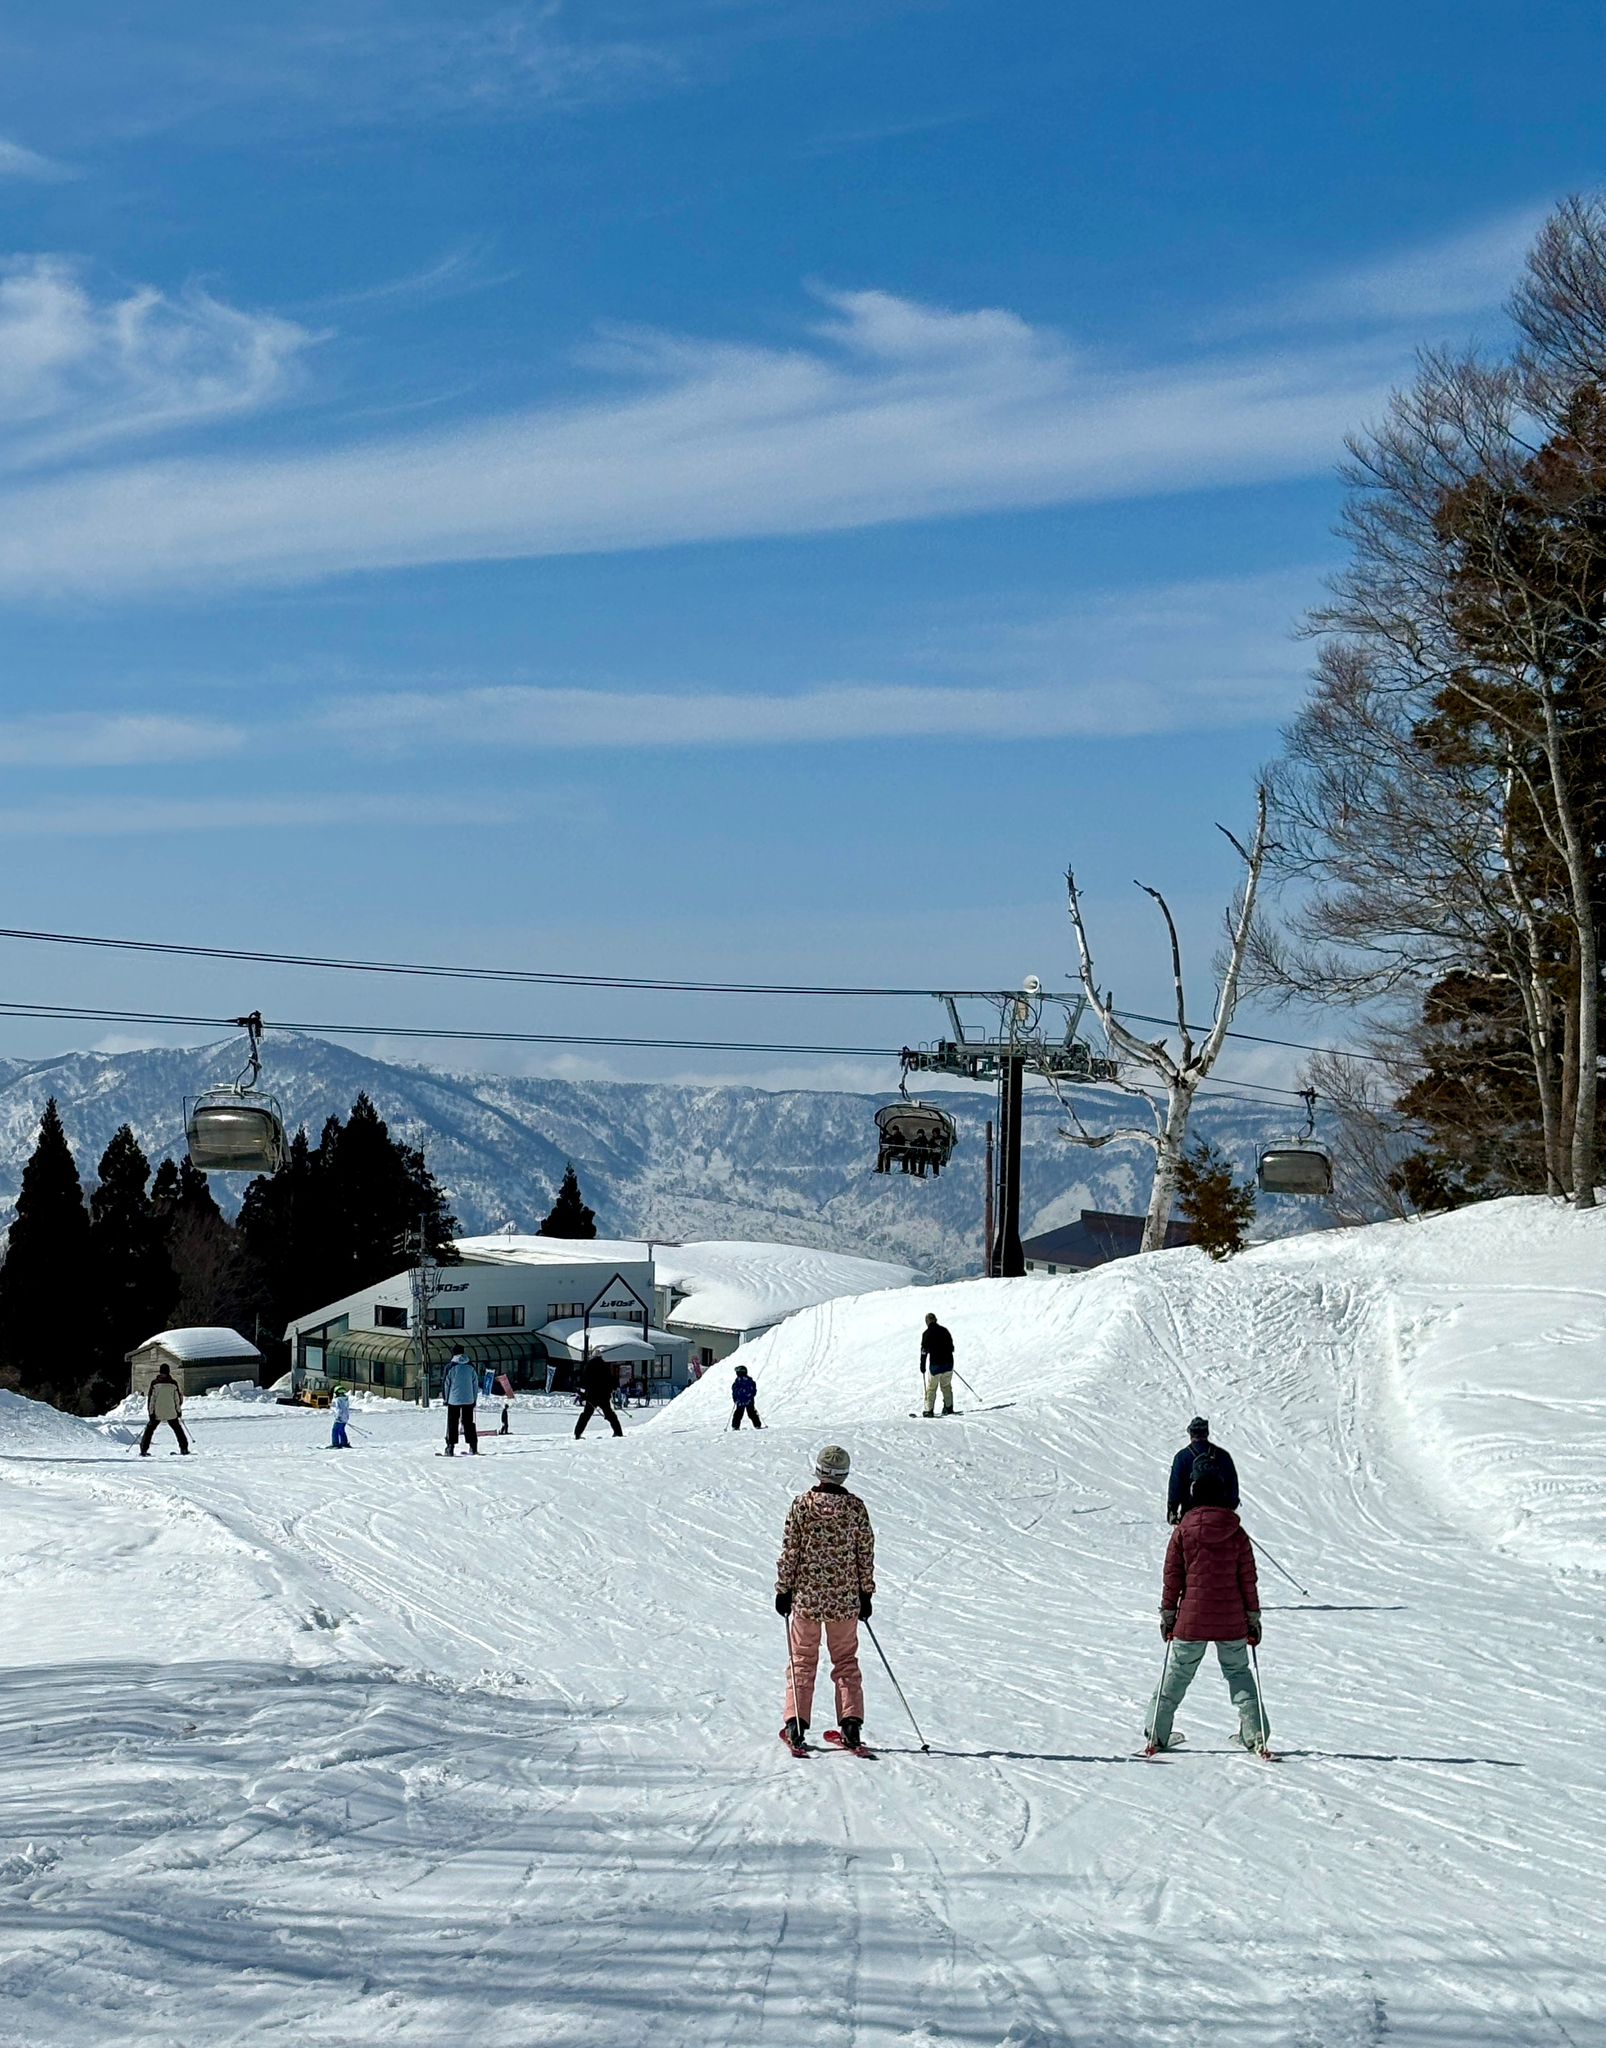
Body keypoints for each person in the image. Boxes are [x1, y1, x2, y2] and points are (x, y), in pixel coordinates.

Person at [1145, 1461, 1268, 1754]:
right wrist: (1253, 1617)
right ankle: (1255, 1735)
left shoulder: (1184, 1531)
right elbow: (1248, 1580)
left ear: (1194, 1492)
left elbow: (1172, 1577)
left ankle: (1156, 1736)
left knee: (1176, 1674)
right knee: (1239, 1672)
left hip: (1192, 1618)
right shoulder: (1237, 1533)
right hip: (1231, 1620)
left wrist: (1168, 1615)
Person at [775, 1443, 876, 1753]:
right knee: (845, 1661)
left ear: (818, 1471)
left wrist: (783, 1589)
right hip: (844, 1600)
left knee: (802, 1660)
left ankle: (795, 1725)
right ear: (844, 1475)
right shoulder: (855, 1508)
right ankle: (851, 1726)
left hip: (807, 1598)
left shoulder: (802, 1505)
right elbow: (865, 1553)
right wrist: (866, 1593)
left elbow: (791, 1551)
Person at [1167, 1417, 1239, 1522]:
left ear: (1191, 1434)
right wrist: (1232, 1505)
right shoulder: (1222, 1455)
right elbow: (1232, 1482)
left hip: (1191, 1514)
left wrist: (1172, 1509)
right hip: (1220, 1514)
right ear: (1206, 1433)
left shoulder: (1181, 1457)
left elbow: (1176, 1484)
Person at [139, 1363, 189, 1457]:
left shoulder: (155, 1383)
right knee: (178, 1429)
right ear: (168, 1372)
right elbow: (177, 1399)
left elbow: (151, 1399)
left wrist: (151, 1413)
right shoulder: (173, 1383)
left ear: (160, 1372)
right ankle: (184, 1448)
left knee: (149, 1430)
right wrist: (178, 1411)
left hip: (157, 1412)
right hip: (171, 1412)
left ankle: (143, 1450)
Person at [574, 1353, 623, 1439]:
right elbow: (610, 1379)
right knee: (609, 1413)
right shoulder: (605, 1365)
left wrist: (582, 1391)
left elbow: (584, 1380)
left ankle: (578, 1433)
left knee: (586, 1414)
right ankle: (618, 1431)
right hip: (604, 1395)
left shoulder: (589, 1365)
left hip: (592, 1395)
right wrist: (613, 1388)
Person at [442, 1349, 479, 1455]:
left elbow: (446, 1384)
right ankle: (473, 1446)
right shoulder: (471, 1367)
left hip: (453, 1399)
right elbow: (475, 1384)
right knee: (468, 1423)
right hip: (468, 1399)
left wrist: (446, 1399)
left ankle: (450, 1447)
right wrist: (474, 1398)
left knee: (452, 1423)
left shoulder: (450, 1367)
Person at [919, 1311, 955, 1417]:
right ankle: (948, 1407)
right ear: (936, 1320)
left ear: (927, 1322)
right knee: (946, 1385)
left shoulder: (926, 1334)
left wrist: (922, 1366)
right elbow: (951, 1348)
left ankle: (929, 1410)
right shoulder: (945, 1331)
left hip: (935, 1365)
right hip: (948, 1363)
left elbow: (924, 1351)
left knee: (931, 1388)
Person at [731, 1365, 762, 1430]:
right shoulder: (749, 1380)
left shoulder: (738, 1381)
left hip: (741, 1401)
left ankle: (735, 1426)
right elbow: (753, 1390)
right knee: (751, 1413)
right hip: (748, 1400)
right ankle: (757, 1425)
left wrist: (735, 1398)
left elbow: (734, 1391)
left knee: (738, 1414)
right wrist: (750, 1396)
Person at [330, 1385, 352, 1450]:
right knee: (341, 1430)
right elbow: (346, 1409)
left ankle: (335, 1444)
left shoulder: (338, 1400)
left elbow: (339, 1409)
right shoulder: (345, 1399)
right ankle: (344, 1443)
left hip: (339, 1418)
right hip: (345, 1418)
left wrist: (338, 1416)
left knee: (335, 1430)